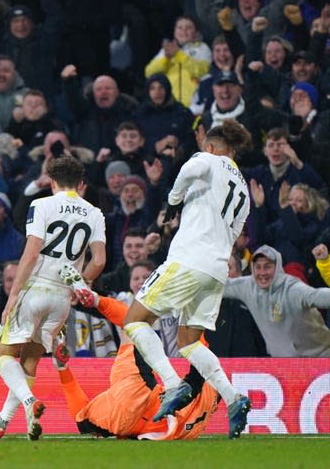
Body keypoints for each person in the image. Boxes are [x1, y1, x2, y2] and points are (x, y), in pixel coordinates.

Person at [117, 119, 253, 439]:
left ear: (210, 144)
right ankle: (234, 398)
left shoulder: (207, 158)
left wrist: (173, 200)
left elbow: (189, 171)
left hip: (190, 260)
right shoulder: (244, 191)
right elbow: (234, 233)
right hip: (217, 269)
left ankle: (172, 384)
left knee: (135, 321)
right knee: (189, 342)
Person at [0, 155, 106, 440]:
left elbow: (31, 252)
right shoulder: (95, 213)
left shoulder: (41, 205)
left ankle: (29, 402)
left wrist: (13, 295)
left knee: (2, 354)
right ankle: (2, 421)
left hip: (35, 288)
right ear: (81, 183)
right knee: (30, 359)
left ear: (51, 182)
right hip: (62, 296)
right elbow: (98, 260)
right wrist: (82, 284)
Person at [55, 287, 219, 440]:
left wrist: (63, 369)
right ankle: (98, 301)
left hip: (128, 406)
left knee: (134, 323)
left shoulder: (207, 391)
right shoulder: (201, 415)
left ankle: (97, 301)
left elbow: (198, 353)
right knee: (133, 325)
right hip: (144, 418)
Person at [224, 244, 330, 357]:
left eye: (267, 266)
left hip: (321, 358)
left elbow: (318, 295)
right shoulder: (247, 286)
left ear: (277, 267)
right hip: (282, 365)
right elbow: (219, 286)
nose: (262, 273)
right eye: (258, 267)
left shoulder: (292, 288)